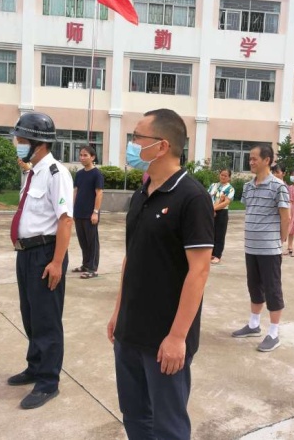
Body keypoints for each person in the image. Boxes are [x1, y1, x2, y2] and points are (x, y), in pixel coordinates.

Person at [107, 109, 213, 439]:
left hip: (165, 338)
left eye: (137, 137)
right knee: (135, 416)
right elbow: (131, 258)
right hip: (130, 331)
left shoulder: (192, 197)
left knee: (168, 426)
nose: (131, 144)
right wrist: (118, 312)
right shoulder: (142, 194)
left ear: (162, 146)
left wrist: (178, 337)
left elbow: (199, 270)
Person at [7, 112, 73, 410]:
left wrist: (57, 262)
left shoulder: (56, 173)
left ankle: (48, 382)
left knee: (46, 320)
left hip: (46, 254)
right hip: (26, 254)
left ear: (39, 143)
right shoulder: (33, 172)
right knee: (30, 315)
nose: (18, 144)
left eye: (22, 140)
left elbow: (65, 220)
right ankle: (35, 367)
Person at [232, 145, 290, 352]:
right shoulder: (248, 186)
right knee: (254, 286)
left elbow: (285, 217)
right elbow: (250, 210)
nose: (251, 162)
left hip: (269, 249)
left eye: (254, 158)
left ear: (267, 160)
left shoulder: (278, 186)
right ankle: (254, 324)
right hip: (251, 246)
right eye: (250, 159)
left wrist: (280, 240)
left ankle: (273, 333)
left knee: (272, 289)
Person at [72, 146, 103, 279]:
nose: (82, 158)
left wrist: (95, 212)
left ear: (93, 157)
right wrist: (73, 210)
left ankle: (93, 268)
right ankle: (85, 265)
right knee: (83, 241)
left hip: (90, 214)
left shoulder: (97, 174)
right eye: (81, 155)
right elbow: (76, 191)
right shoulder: (79, 174)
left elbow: (99, 193)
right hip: (79, 212)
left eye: (85, 155)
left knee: (92, 242)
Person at [207, 169, 235, 264]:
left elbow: (226, 202)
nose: (223, 177)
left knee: (220, 234)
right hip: (210, 210)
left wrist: (213, 209)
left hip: (221, 212)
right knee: (210, 233)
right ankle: (210, 253)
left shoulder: (230, 188)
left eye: (225, 176)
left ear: (229, 178)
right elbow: (208, 196)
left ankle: (217, 255)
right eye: (222, 175)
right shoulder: (213, 185)